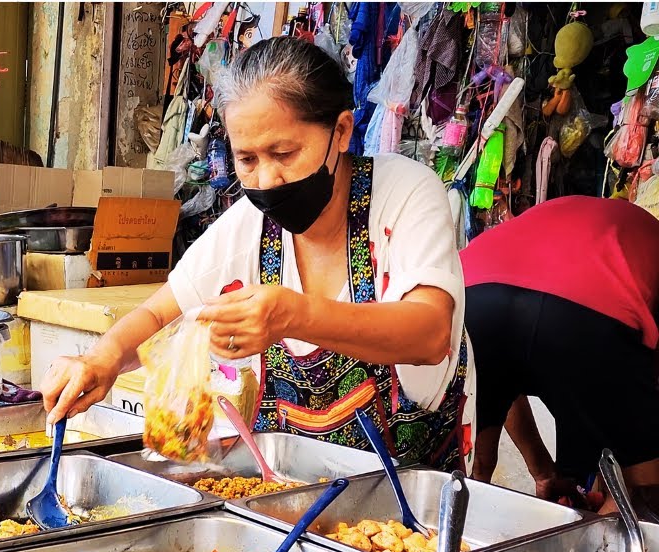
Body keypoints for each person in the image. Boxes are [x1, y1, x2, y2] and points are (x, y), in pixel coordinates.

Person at [42, 37, 474, 471]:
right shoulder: (249, 223)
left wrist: (293, 316)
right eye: (246, 159)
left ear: (341, 131)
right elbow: (159, 317)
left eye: (284, 153)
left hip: (407, 512)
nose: (267, 179)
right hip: (288, 499)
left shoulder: (405, 194)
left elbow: (430, 333)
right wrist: (102, 359)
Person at [461, 195, 659, 516]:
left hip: (474, 292)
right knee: (641, 496)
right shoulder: (640, 240)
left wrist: (543, 472)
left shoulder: (564, 222)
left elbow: (507, 375)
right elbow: (636, 394)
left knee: (474, 472)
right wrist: (625, 482)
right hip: (594, 302)